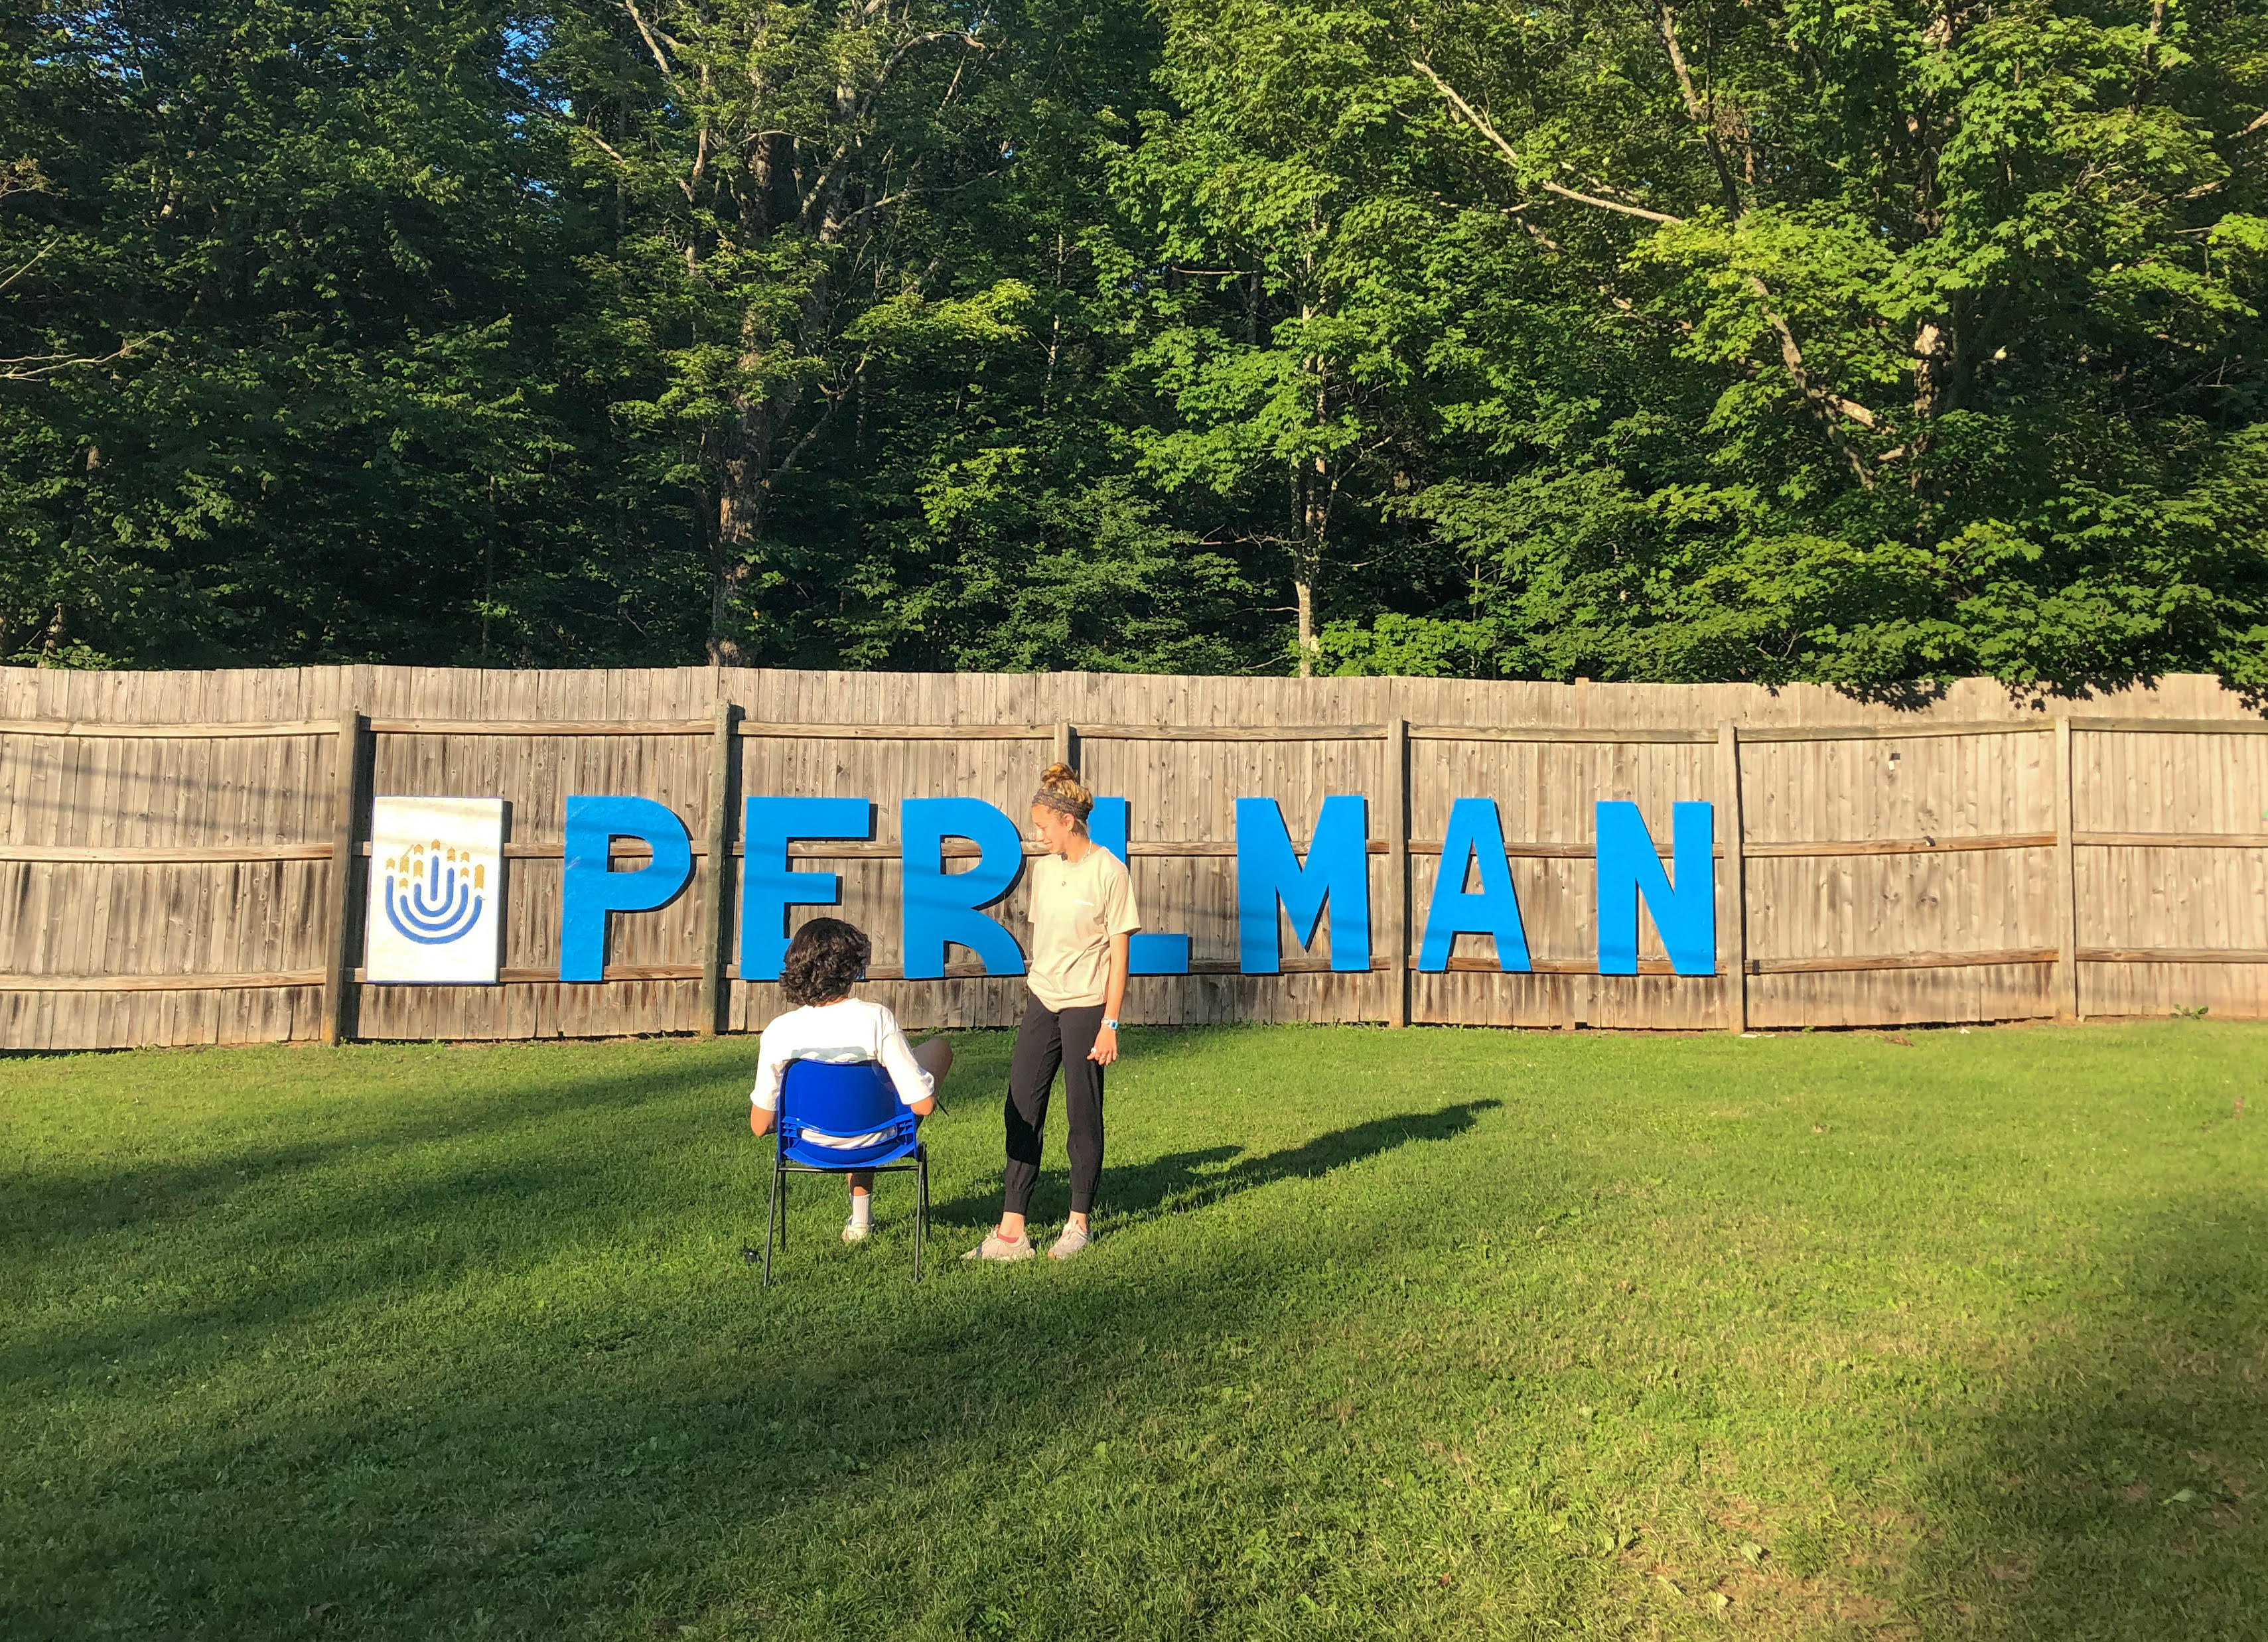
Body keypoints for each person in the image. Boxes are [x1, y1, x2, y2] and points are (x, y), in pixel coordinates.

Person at [966, 761, 1139, 1263]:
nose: (1038, 835)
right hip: (1043, 999)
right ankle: (1012, 1232)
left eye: (1042, 825)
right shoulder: (1044, 872)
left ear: (1067, 821)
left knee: (1082, 1113)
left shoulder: (1110, 871)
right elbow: (1048, 942)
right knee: (1020, 1104)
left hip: (1088, 1006)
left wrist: (1110, 1022)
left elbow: (1120, 953)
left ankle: (1077, 1222)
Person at [748, 916, 952, 1243]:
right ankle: (859, 1220)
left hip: (806, 1144)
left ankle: (860, 1224)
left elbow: (760, 1125)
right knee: (937, 1049)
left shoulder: (779, 1031)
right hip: (879, 1139)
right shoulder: (876, 1018)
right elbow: (924, 1105)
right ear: (852, 968)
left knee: (855, 1105)